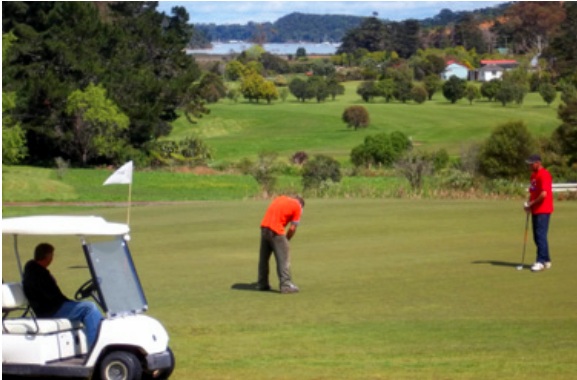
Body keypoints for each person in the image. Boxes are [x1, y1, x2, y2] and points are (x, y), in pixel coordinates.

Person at [22, 243, 103, 347]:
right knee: (89, 308)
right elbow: (50, 296)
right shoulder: (37, 275)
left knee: (86, 309)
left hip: (53, 307)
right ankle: (96, 348)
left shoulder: (36, 271)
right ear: (48, 256)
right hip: (51, 311)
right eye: (52, 255)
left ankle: (92, 344)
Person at [257, 195, 305, 294]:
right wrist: (286, 240)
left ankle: (262, 283)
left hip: (264, 228)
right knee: (284, 257)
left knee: (264, 258)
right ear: (301, 205)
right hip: (276, 231)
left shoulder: (281, 198)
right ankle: (286, 285)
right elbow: (292, 228)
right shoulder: (297, 207)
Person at [523, 154, 554, 272]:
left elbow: (543, 194)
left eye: (532, 163)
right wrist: (528, 205)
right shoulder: (533, 176)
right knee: (537, 237)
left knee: (540, 235)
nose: (530, 165)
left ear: (538, 163)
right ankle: (546, 260)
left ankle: (540, 261)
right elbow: (533, 192)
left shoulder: (544, 174)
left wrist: (532, 204)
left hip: (544, 209)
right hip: (535, 209)